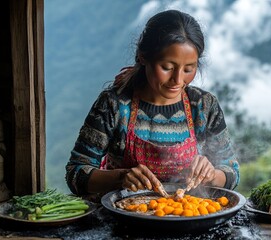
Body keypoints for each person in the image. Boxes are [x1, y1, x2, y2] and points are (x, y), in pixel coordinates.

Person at [65, 9, 239, 198]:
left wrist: (212, 175)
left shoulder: (204, 106)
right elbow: (75, 173)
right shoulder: (114, 105)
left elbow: (232, 173)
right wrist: (120, 178)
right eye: (167, 68)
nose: (178, 80)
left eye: (189, 69)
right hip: (121, 221)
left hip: (187, 219)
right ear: (143, 57)